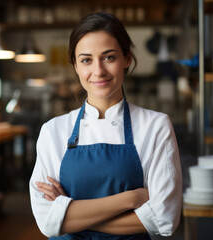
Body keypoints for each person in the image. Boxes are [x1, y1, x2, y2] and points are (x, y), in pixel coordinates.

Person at [29, 12, 182, 240]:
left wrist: (70, 216)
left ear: (127, 59)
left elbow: (165, 218)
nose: (98, 71)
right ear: (75, 66)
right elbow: (46, 222)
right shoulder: (53, 131)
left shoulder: (155, 126)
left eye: (109, 57)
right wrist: (131, 199)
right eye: (86, 60)